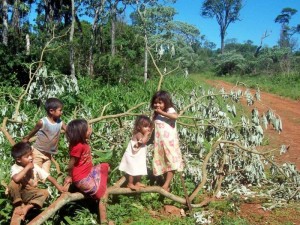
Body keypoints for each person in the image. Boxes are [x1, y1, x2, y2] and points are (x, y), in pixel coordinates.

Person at [63, 119, 111, 224]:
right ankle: (104, 221)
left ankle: (95, 189)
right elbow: (71, 164)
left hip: (88, 172)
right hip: (82, 178)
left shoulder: (82, 142)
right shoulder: (78, 146)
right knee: (103, 194)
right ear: (81, 133)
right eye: (88, 128)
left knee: (105, 166)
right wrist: (69, 176)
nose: (91, 130)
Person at [8, 142, 64, 221]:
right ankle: (18, 204)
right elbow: (16, 179)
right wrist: (27, 168)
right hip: (19, 193)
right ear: (18, 160)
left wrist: (59, 187)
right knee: (13, 183)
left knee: (45, 193)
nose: (31, 158)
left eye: (31, 154)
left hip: (30, 193)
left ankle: (27, 208)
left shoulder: (35, 166)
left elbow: (48, 176)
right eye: (27, 156)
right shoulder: (15, 167)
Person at [150, 90, 184, 192]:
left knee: (172, 161)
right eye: (155, 103)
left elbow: (175, 116)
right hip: (159, 143)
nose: (157, 105)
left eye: (160, 103)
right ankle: (166, 184)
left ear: (166, 102)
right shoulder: (155, 114)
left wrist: (161, 112)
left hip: (170, 142)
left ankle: (166, 184)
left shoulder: (169, 110)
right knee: (163, 162)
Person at [22, 97, 67, 173]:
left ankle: (40, 184)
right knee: (35, 172)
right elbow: (33, 131)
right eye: (60, 110)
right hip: (37, 152)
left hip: (48, 154)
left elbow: (68, 131)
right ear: (51, 111)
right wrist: (26, 139)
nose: (62, 112)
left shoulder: (60, 123)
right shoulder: (42, 122)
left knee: (45, 175)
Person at [119, 115, 152, 190]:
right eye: (145, 126)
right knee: (132, 169)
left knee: (139, 168)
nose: (148, 128)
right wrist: (147, 135)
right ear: (139, 127)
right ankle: (130, 183)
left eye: (149, 126)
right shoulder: (139, 134)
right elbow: (142, 141)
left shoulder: (142, 134)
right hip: (132, 156)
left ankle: (137, 182)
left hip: (138, 157)